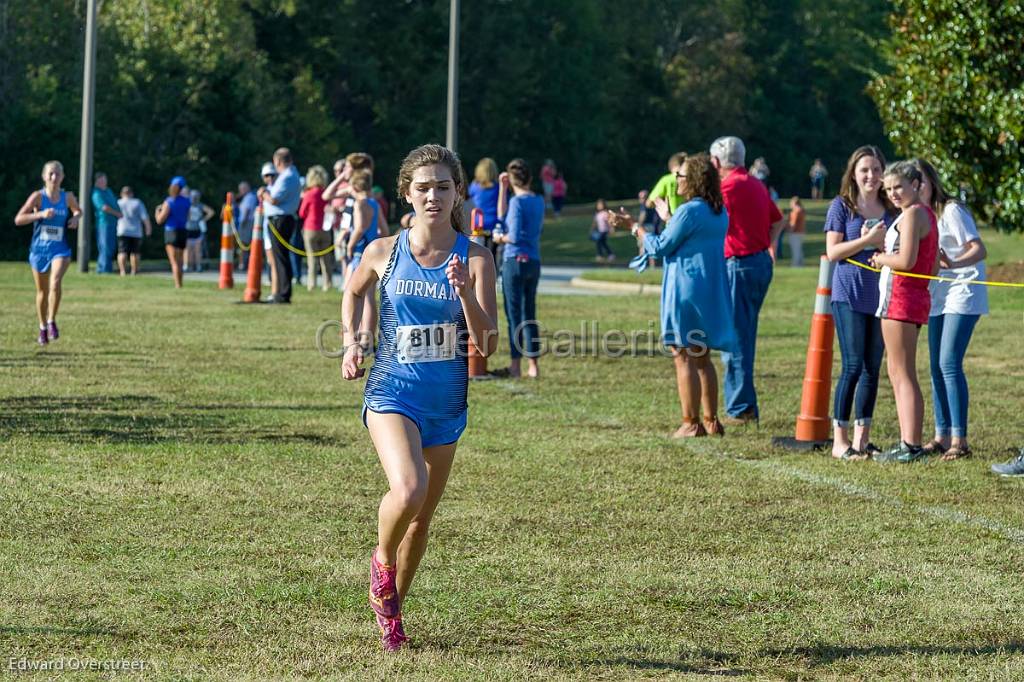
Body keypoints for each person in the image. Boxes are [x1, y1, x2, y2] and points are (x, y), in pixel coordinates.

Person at [341, 143, 497, 652]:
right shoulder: (385, 251)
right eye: (423, 187)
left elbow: (488, 343)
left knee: (422, 518)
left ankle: (392, 614)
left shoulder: (475, 257)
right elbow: (354, 290)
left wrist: (466, 294)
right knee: (408, 490)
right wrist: (352, 341)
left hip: (446, 402)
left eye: (443, 186)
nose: (433, 195)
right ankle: (380, 565)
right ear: (406, 192)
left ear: (457, 194)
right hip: (392, 392)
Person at [612, 154, 736, 437]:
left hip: (685, 289)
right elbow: (688, 237)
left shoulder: (690, 211)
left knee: (682, 354)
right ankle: (711, 421)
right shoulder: (718, 211)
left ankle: (690, 423)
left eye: (680, 176)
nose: (676, 180)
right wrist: (669, 218)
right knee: (702, 355)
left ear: (692, 180)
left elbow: (658, 248)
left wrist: (633, 226)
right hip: (707, 289)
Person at [823, 146, 894, 460]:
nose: (871, 175)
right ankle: (839, 441)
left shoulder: (892, 209)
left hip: (881, 296)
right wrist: (867, 242)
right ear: (853, 172)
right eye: (865, 169)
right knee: (852, 365)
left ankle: (862, 441)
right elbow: (833, 252)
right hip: (848, 294)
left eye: (877, 169)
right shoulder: (842, 206)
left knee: (871, 368)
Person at [915, 158, 988, 461]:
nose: (916, 187)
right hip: (938, 296)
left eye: (920, 180)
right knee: (934, 367)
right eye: (911, 182)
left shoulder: (951, 210)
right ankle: (941, 436)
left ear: (932, 181)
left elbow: (979, 248)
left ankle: (961, 440)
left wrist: (953, 264)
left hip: (963, 290)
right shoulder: (919, 217)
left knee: (948, 363)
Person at [709, 136, 785, 424]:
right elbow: (778, 220)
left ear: (717, 163)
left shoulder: (726, 187)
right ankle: (744, 403)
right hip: (758, 262)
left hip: (738, 264)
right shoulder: (756, 183)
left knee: (736, 337)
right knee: (744, 332)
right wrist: (769, 245)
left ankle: (741, 407)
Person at [872, 161, 939, 464]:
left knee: (902, 372)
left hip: (901, 298)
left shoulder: (913, 215)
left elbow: (907, 260)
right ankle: (907, 441)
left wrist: (880, 258)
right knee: (899, 371)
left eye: (898, 186)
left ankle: (910, 444)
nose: (893, 193)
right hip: (911, 298)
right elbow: (933, 264)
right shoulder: (925, 214)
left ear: (915, 184)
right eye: (888, 189)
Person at [14, 161, 82, 345]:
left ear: (62, 177)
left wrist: (75, 218)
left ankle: (52, 321)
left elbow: (77, 210)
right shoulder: (38, 197)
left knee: (55, 282)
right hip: (39, 250)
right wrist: (40, 215)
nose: (54, 177)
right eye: (51, 174)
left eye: (58, 174)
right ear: (44, 177)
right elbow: (18, 219)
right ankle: (42, 327)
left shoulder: (67, 197)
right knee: (42, 292)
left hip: (60, 249)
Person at [494, 158, 545, 378]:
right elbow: (503, 215)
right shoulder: (538, 200)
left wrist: (499, 237)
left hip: (514, 261)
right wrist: (504, 190)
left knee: (514, 315)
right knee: (529, 313)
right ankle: (533, 365)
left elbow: (511, 234)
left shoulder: (517, 203)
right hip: (533, 260)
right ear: (530, 178)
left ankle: (515, 365)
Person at [346, 169, 390, 338]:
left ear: (355, 187)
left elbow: (359, 227)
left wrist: (350, 244)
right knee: (370, 297)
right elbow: (384, 229)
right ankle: (368, 338)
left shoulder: (359, 204)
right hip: (372, 252)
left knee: (354, 292)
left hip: (360, 252)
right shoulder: (374, 203)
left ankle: (352, 334)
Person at [259, 148, 301, 303]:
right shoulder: (290, 175)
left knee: (280, 258)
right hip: (281, 218)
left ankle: (283, 293)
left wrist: (263, 193)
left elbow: (274, 199)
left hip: (280, 219)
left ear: (278, 161)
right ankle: (282, 292)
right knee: (280, 257)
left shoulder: (287, 176)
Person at [299, 165, 334, 292]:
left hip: (310, 228)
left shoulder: (309, 194)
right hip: (325, 228)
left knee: (312, 258)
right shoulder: (326, 193)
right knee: (326, 258)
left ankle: (311, 284)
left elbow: (302, 213)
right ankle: (327, 283)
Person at [154, 176, 191, 289]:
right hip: (183, 232)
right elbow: (188, 217)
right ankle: (181, 283)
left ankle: (177, 285)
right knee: (180, 261)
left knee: (174, 262)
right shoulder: (186, 201)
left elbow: (160, 220)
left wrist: (157, 211)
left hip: (171, 232)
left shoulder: (169, 201)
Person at [468, 157, 501, 259]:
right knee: (492, 254)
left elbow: (469, 201)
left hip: (478, 224)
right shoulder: (498, 187)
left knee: (477, 255)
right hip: (493, 224)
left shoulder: (474, 186)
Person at [115, 186, 152, 276]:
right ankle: (134, 271)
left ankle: (122, 271)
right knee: (135, 252)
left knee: (122, 251)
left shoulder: (118, 203)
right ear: (132, 193)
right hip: (136, 231)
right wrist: (148, 228)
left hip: (122, 230)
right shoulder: (137, 202)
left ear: (121, 194)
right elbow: (144, 217)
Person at [91, 172, 122, 273]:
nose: (104, 182)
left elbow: (115, 203)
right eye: (101, 180)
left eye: (104, 179)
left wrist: (119, 213)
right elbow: (104, 207)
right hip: (103, 223)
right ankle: (103, 270)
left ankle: (107, 269)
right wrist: (117, 213)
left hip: (113, 223)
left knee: (111, 247)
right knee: (105, 247)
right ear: (97, 181)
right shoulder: (96, 193)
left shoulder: (108, 191)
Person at [648, 152, 687, 218]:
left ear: (671, 166)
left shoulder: (666, 180)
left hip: (673, 219)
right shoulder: (692, 178)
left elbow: (649, 203)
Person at [184, 189, 214, 273]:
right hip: (189, 229)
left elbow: (211, 212)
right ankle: (189, 266)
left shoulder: (199, 205)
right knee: (189, 249)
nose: (194, 198)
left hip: (195, 229)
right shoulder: (190, 205)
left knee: (195, 250)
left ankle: (196, 266)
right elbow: (211, 212)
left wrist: (203, 219)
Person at [235, 181, 258, 271]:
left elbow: (247, 210)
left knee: (243, 244)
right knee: (243, 244)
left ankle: (244, 264)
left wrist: (243, 222)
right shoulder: (246, 197)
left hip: (246, 223)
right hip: (245, 222)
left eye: (241, 189)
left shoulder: (249, 197)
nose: (240, 191)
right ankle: (244, 263)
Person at [787, 196, 806, 267]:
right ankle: (801, 264)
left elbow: (793, 224)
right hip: (801, 232)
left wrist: (789, 230)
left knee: (795, 250)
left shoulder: (796, 212)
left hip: (795, 233)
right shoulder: (802, 211)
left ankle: (795, 264)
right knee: (799, 249)